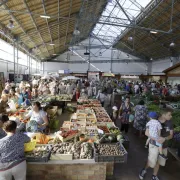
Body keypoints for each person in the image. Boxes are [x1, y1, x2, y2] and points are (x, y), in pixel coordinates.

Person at [139, 108, 173, 180]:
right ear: (163, 115)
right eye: (169, 115)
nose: (171, 116)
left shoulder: (170, 122)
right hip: (154, 144)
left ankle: (154, 175)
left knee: (159, 161)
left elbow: (171, 135)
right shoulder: (154, 120)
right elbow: (146, 133)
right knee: (151, 161)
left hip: (164, 145)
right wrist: (155, 138)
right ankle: (144, 170)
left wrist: (164, 139)